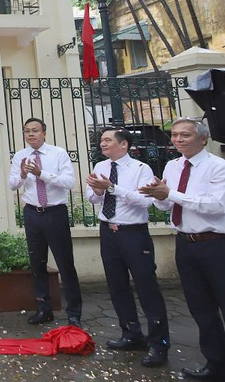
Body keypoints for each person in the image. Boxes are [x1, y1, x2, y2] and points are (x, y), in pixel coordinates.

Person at [139, 117, 225, 382]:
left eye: (185, 135)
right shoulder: (172, 166)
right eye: (174, 135)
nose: (178, 140)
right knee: (201, 309)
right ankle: (214, 362)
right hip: (186, 244)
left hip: (218, 246)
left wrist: (171, 194)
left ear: (203, 138)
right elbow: (167, 205)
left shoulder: (219, 167)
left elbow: (216, 205)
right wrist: (159, 196)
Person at [86, 127, 168, 368]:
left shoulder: (141, 169)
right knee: (117, 284)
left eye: (108, 140)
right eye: (101, 140)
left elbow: (146, 201)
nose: (102, 144)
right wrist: (98, 191)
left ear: (124, 145)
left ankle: (158, 343)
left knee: (146, 286)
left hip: (133, 233)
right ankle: (131, 333)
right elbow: (94, 199)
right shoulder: (101, 167)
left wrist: (112, 188)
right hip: (108, 231)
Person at [8, 117, 82, 327]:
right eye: (27, 131)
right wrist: (23, 174)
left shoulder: (58, 154)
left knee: (65, 264)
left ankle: (74, 313)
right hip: (32, 214)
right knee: (37, 263)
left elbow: (68, 182)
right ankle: (43, 308)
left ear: (44, 133)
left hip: (55, 213)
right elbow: (12, 185)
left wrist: (42, 174)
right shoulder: (20, 156)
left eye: (35, 130)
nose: (30, 134)